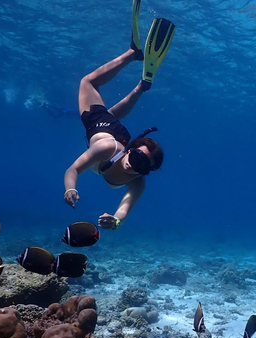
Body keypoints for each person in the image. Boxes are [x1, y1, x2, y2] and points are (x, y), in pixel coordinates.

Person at [63, 0, 175, 230]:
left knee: (111, 114)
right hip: (103, 130)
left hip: (115, 129)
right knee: (88, 82)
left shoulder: (138, 182)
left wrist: (116, 220)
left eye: (142, 167)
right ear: (131, 150)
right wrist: (70, 188)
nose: (134, 168)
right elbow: (73, 169)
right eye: (136, 159)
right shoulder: (106, 150)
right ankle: (132, 53)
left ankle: (141, 87)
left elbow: (125, 207)